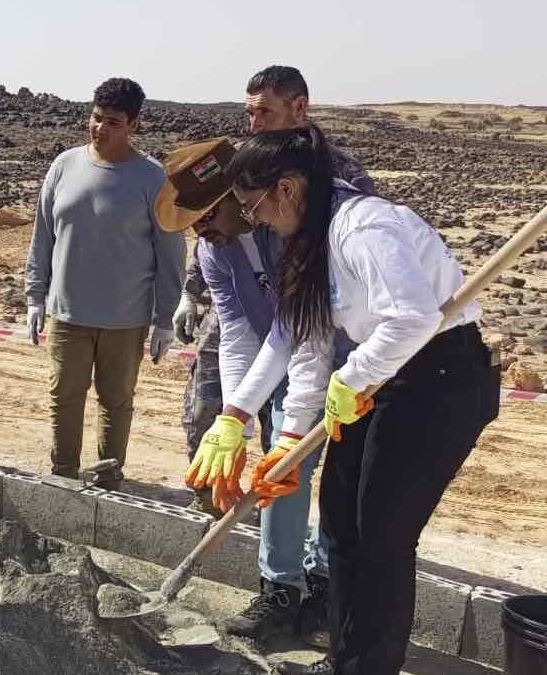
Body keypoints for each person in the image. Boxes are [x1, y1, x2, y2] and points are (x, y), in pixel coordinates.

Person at [191, 124, 498, 675]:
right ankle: (343, 660)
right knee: (338, 523)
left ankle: (367, 666)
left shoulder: (363, 227)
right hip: (380, 378)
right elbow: (303, 346)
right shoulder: (306, 242)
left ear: (285, 188)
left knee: (381, 536)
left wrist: (352, 377)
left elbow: (413, 318)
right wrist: (273, 435)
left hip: (440, 379)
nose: (253, 218)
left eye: (251, 204)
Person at [177, 65, 374, 515]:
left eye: (264, 112)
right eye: (249, 114)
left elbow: (311, 320)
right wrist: (234, 416)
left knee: (297, 442)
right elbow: (216, 233)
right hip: (264, 311)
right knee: (214, 409)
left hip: (327, 326)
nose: (254, 124)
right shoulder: (245, 170)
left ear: (299, 107)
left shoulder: (332, 176)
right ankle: (218, 505)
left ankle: (301, 555)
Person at [162, 137, 335, 646]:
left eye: (204, 215)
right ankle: (280, 591)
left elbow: (308, 336)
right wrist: (231, 422)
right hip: (280, 356)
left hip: (350, 365)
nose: (199, 230)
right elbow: (240, 329)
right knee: (282, 473)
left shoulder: (291, 233)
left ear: (237, 198)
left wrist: (265, 419)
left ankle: (325, 588)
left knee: (340, 478)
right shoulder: (216, 252)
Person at [24, 77, 185, 489]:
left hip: (124, 319)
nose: (100, 129)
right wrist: (34, 296)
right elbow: (43, 235)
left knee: (116, 403)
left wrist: (164, 317)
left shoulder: (152, 179)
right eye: (96, 118)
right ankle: (62, 476)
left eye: (113, 122)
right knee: (65, 399)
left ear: (133, 124)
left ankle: (108, 479)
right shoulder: (64, 166)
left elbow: (171, 253)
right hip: (67, 313)